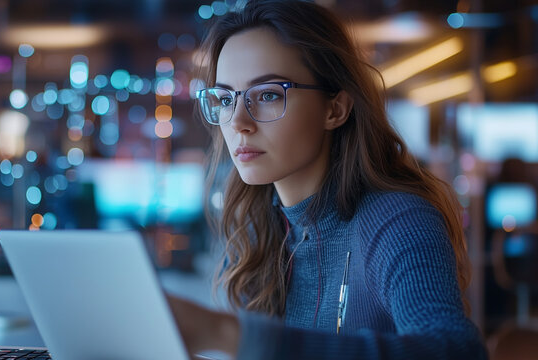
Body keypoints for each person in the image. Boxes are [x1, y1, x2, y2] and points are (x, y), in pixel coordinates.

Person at [165, 1, 488, 359]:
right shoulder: (255, 230)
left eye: (269, 94)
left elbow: (457, 351)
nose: (239, 121)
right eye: (225, 99)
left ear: (335, 108)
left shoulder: (396, 220)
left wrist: (227, 334)